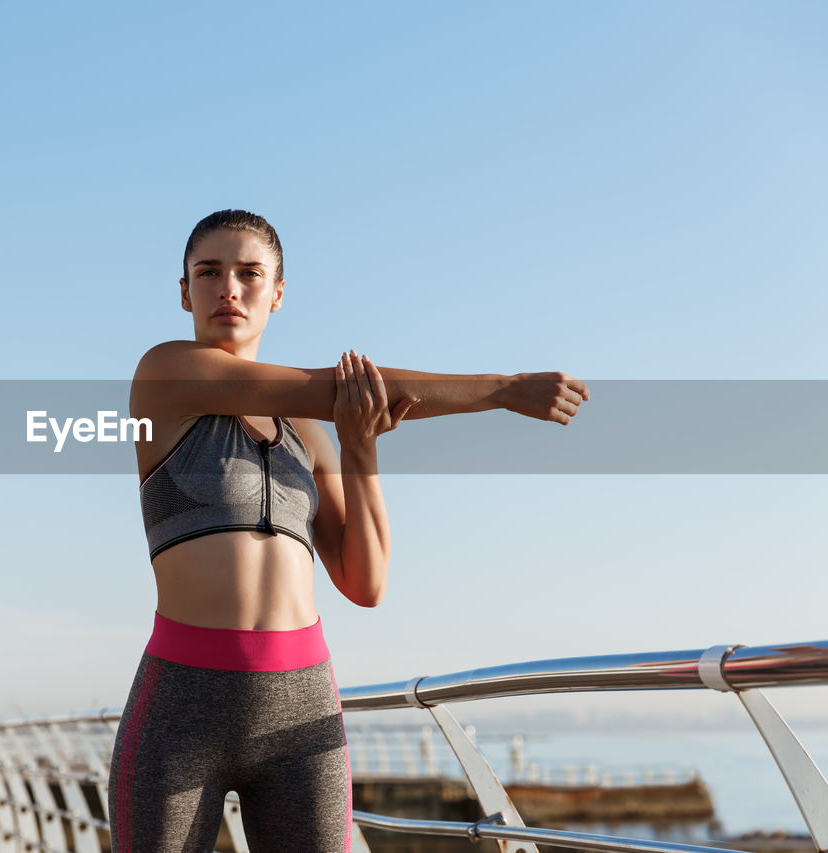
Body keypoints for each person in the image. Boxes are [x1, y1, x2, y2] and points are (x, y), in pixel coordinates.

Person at [108, 209, 589, 852]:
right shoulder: (165, 373)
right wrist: (503, 389)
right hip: (182, 699)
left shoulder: (307, 434)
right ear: (184, 290)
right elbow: (340, 387)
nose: (229, 288)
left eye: (250, 273)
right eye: (209, 272)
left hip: (302, 699)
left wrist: (360, 448)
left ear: (277, 292)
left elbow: (366, 583)